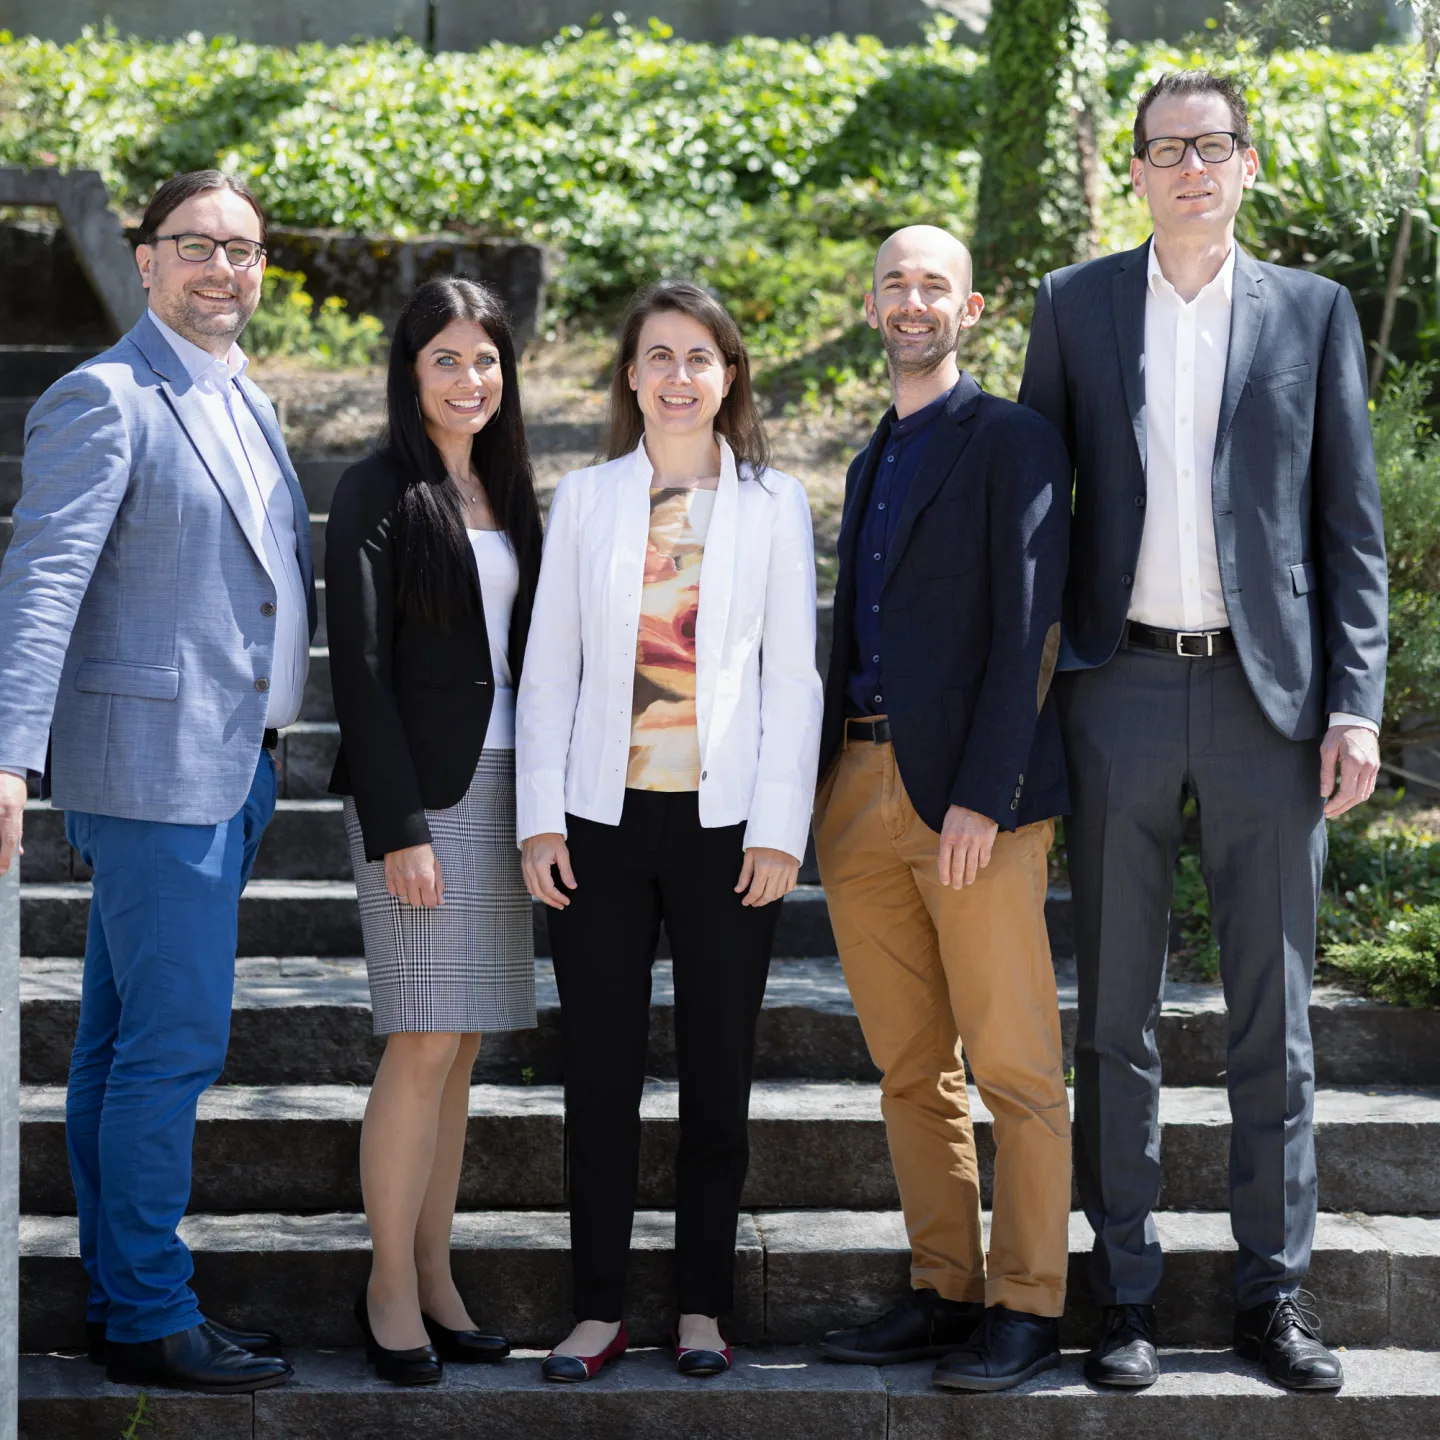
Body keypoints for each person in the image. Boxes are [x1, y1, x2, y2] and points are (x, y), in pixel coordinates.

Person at [1019, 71, 1387, 1393]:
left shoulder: (1314, 313)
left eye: (1211, 146)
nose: (1189, 167)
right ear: (1134, 170)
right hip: (1115, 691)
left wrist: (1356, 701)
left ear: (1245, 165)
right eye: (1165, 148)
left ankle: (1270, 1299)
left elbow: (1351, 527)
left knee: (1272, 1020)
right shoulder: (1073, 308)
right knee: (1112, 1015)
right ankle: (1120, 1296)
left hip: (1267, 707)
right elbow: (1036, 524)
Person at [0, 170, 312, 1393]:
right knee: (172, 1046)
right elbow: (42, 585)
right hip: (151, 774)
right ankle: (147, 1310)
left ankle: (126, 1295)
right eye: (196, 246)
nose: (221, 269)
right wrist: (11, 754)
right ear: (144, 260)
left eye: (241, 249)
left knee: (120, 1045)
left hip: (236, 771)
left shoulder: (250, 404)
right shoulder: (105, 398)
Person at [516, 281, 822, 1382]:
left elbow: (793, 677)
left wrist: (781, 829)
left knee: (717, 1070)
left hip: (726, 827)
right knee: (597, 1072)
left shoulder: (774, 504)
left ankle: (702, 1306)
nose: (680, 375)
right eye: (659, 356)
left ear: (729, 375)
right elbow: (549, 670)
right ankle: (596, 1308)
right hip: (599, 827)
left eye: (701, 356)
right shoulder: (587, 499)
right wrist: (537, 821)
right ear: (631, 377)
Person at [812, 225, 1072, 1394]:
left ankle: (1025, 1304)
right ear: (871, 307)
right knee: (910, 1067)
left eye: (934, 285)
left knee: (1014, 1067)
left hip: (970, 803)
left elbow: (1032, 630)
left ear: (971, 308)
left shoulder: (1011, 440)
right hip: (855, 792)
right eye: (894, 285)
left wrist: (986, 796)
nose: (911, 302)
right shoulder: (876, 454)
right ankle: (942, 1289)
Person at [326, 277, 543, 1386]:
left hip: (509, 789)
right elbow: (357, 673)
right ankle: (389, 1285)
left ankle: (438, 1268)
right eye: (447, 359)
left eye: (487, 361)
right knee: (419, 1040)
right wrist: (399, 825)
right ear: (412, 372)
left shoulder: (510, 486)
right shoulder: (375, 491)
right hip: (423, 796)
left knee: (461, 1049)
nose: (470, 380)